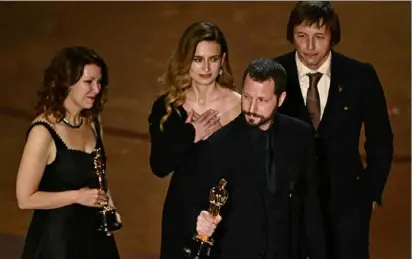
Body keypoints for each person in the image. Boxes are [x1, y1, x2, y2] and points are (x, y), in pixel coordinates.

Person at [273, 2, 394, 259]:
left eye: (319, 37)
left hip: (348, 207)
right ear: (291, 34)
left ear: (332, 36)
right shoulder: (274, 74)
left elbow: (380, 139)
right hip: (290, 206)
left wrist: (371, 193)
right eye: (301, 36)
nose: (309, 46)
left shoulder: (360, 75)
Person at [192, 58, 326, 259]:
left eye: (262, 100)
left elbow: (311, 205)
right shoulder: (219, 145)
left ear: (280, 99)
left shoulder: (300, 136)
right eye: (247, 97)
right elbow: (201, 206)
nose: (251, 107)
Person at [16, 46, 121, 259]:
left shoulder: (93, 124)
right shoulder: (43, 131)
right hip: (57, 242)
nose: (96, 89)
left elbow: (99, 176)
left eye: (99, 82)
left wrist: (110, 207)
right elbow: (25, 199)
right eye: (88, 82)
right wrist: (77, 196)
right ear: (67, 83)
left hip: (94, 239)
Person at [148, 21, 241, 259]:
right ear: (186, 60)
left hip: (229, 216)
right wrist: (192, 134)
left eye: (213, 59)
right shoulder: (168, 106)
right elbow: (159, 165)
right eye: (198, 59)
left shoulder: (240, 105)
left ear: (223, 60)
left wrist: (223, 139)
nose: (206, 68)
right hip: (183, 213)